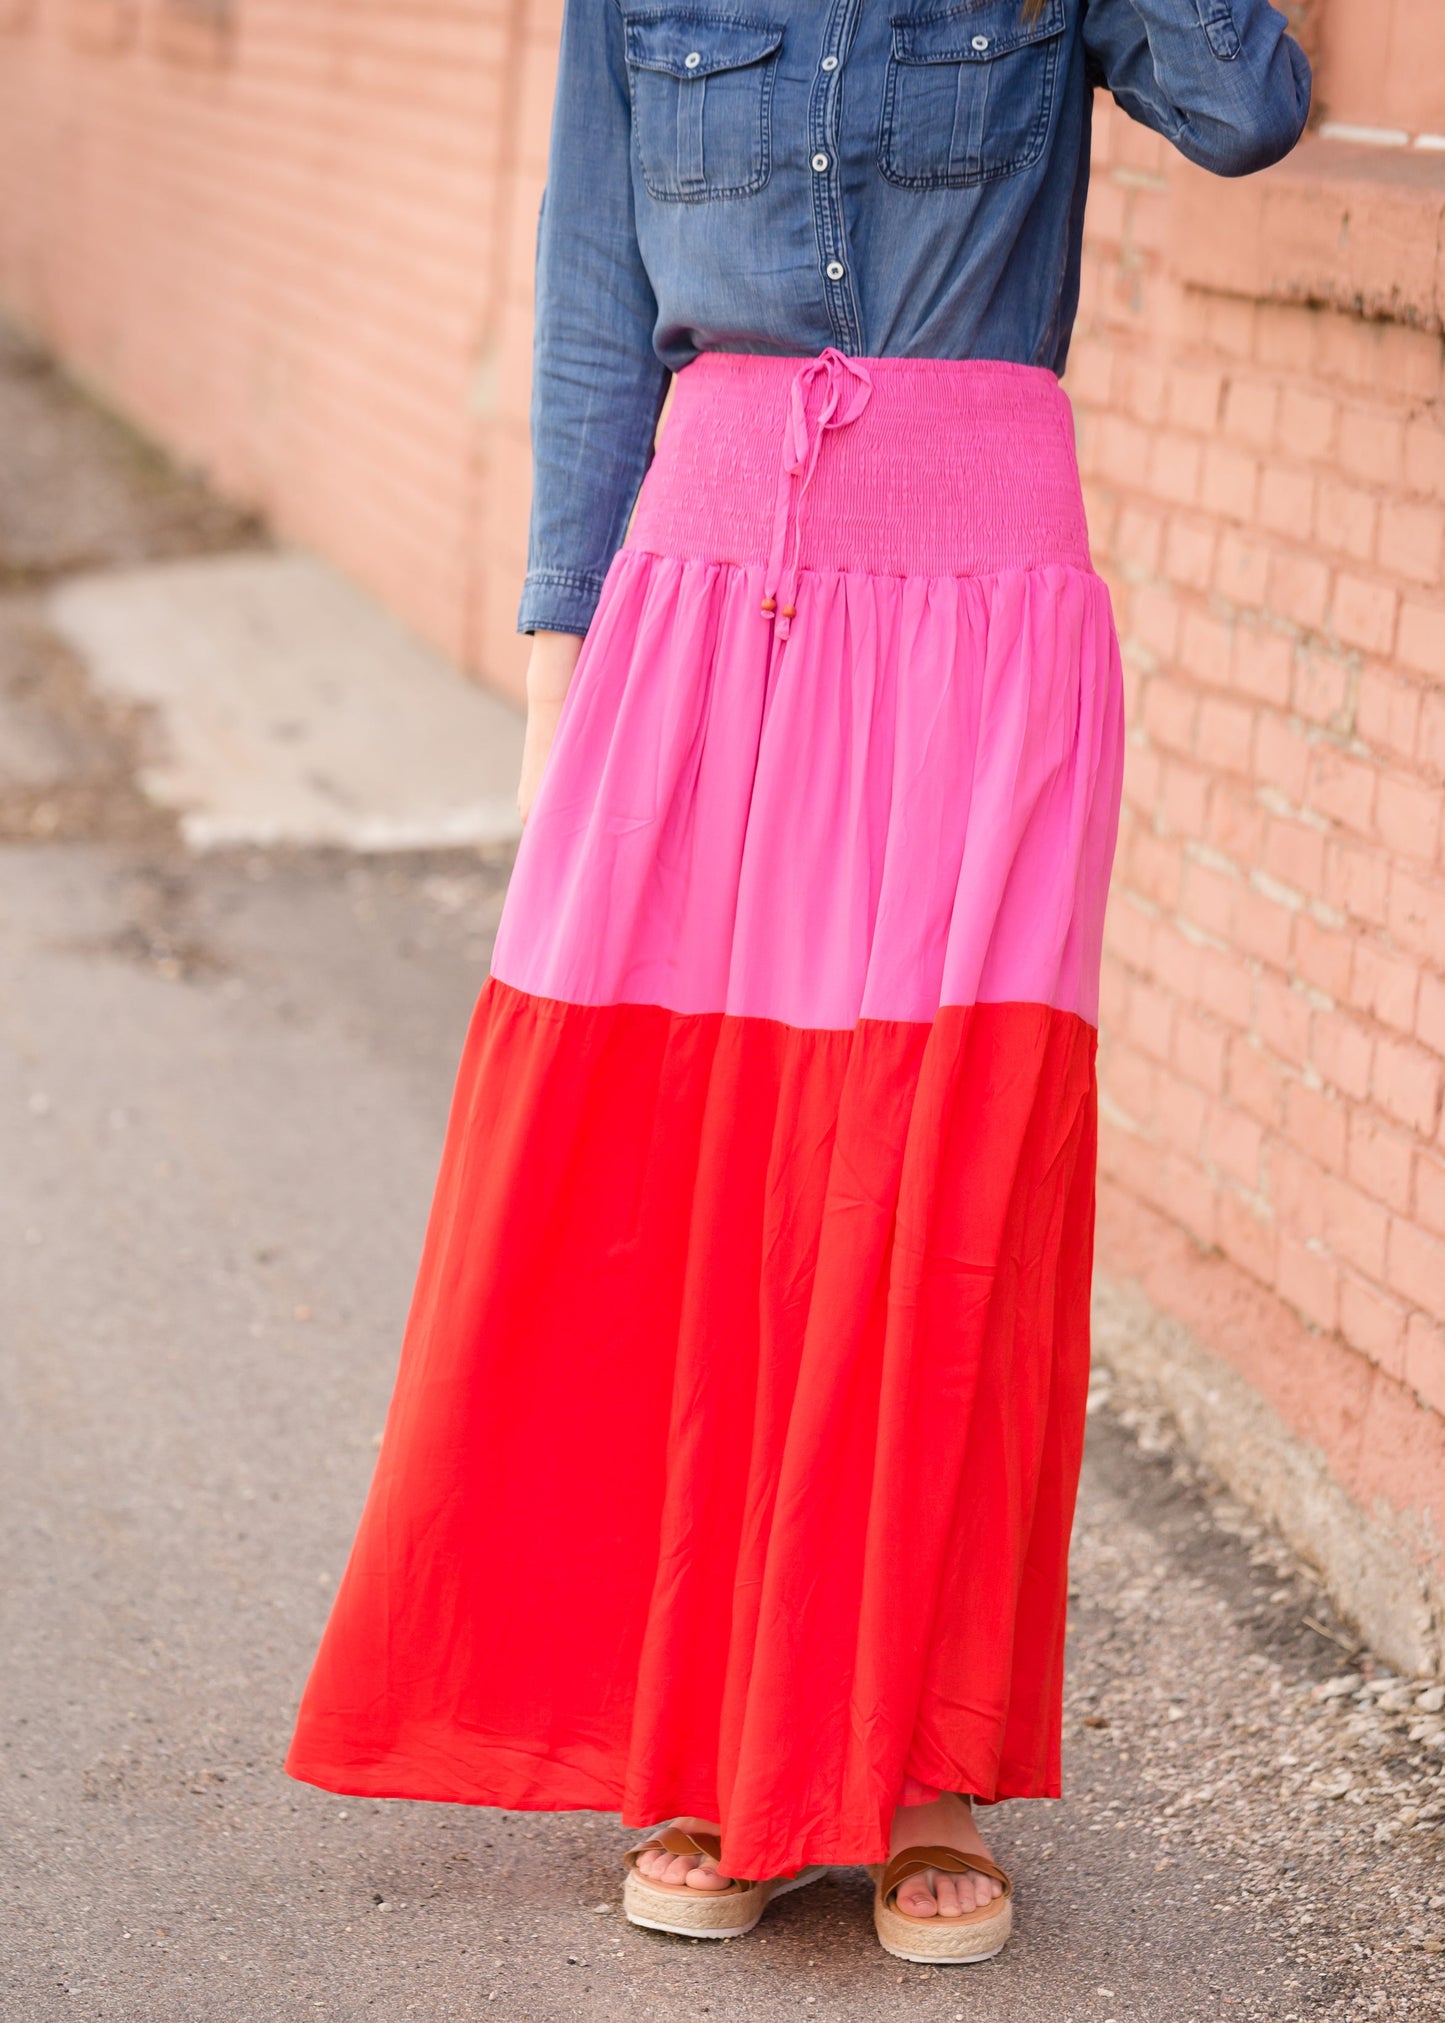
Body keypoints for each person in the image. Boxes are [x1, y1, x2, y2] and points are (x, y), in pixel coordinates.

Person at [286, 0, 1310, 1966]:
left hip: (984, 601)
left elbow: (1253, 107)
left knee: (939, 1185)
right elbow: (598, 301)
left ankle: (916, 1765)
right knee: (701, 1185)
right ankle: (717, 1744)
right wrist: (556, 669)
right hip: (697, 596)